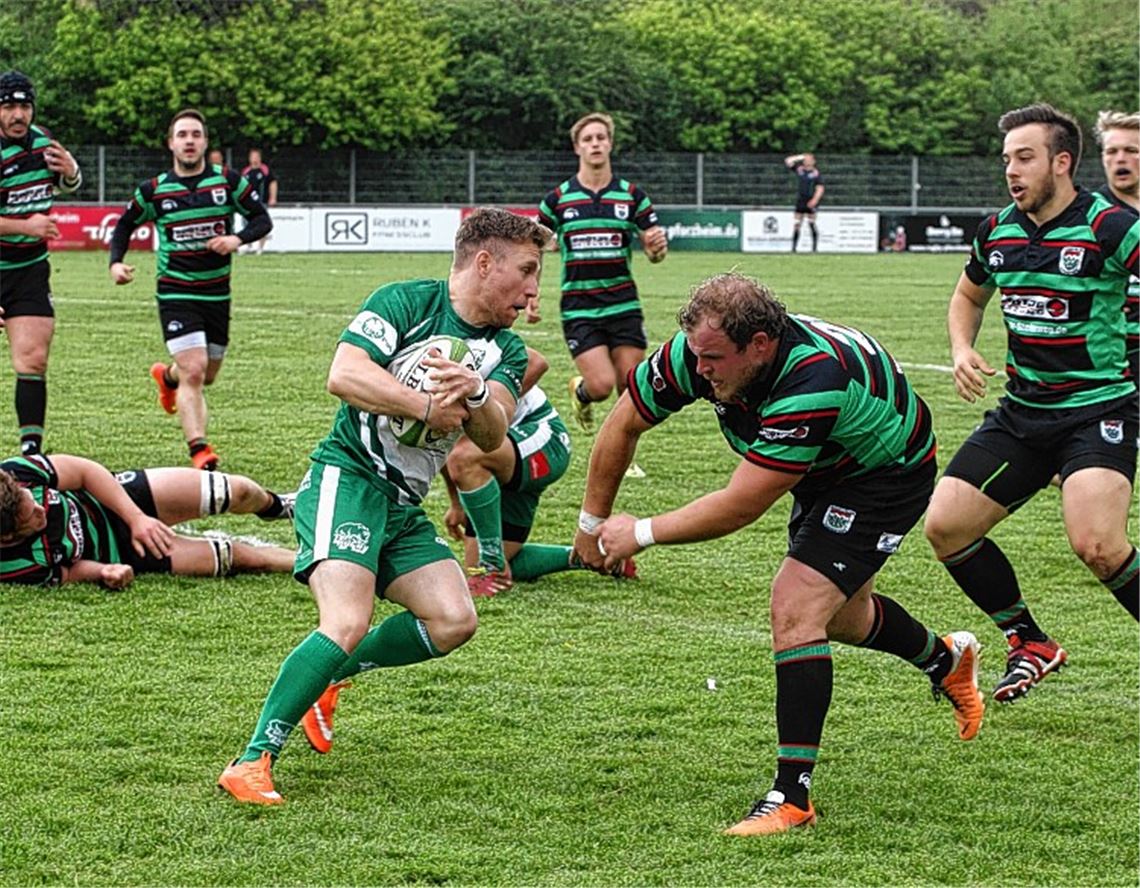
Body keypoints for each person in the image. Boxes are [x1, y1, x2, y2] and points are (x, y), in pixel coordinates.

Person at [572, 272, 983, 836]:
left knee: (796, 606)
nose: (702, 369)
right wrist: (590, 524)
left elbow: (741, 504)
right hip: (823, 466)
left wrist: (637, 532)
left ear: (759, 345)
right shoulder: (696, 354)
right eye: (696, 354)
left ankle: (792, 797)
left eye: (714, 357)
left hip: (885, 472)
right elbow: (624, 423)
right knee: (839, 616)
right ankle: (945, 660)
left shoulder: (814, 377)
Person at [216, 207, 550, 804]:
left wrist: (472, 392)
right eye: (526, 271)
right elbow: (343, 374)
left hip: (401, 504)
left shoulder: (508, 352)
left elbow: (494, 436)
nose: (533, 290)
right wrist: (422, 404)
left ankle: (329, 678)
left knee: (454, 620)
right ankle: (252, 761)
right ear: (483, 262)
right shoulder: (404, 302)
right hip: (347, 478)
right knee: (346, 621)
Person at [923, 104, 1139, 709]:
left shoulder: (1108, 226)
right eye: (1006, 161)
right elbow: (968, 295)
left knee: (1097, 544)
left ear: (1061, 162)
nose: (1012, 172)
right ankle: (1030, 641)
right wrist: (962, 347)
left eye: (1024, 158)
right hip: (1021, 414)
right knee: (946, 526)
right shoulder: (997, 230)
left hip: (1097, 409)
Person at [108, 110, 272, 471]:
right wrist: (116, 262)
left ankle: (166, 378)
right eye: (182, 134)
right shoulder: (154, 190)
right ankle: (199, 450)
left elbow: (262, 220)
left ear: (205, 142)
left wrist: (236, 238)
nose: (189, 140)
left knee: (206, 375)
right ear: (171, 143)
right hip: (175, 292)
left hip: (217, 294)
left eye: (195, 134)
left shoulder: (227, 183)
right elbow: (124, 224)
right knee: (194, 370)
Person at [440, 345, 637, 596]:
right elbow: (442, 444)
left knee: (467, 457)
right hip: (498, 453)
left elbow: (536, 362)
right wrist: (456, 504)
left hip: (543, 436)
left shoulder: (453, 335)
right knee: (477, 563)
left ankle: (492, 567)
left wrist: (494, 407)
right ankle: (593, 555)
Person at [538, 112, 667, 477]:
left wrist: (656, 248)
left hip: (623, 304)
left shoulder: (632, 196)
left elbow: (656, 252)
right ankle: (582, 393)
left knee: (631, 386)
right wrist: (530, 295)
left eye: (601, 138)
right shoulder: (559, 199)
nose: (595, 144)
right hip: (579, 307)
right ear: (577, 147)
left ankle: (624, 458)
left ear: (609, 144)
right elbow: (533, 246)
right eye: (588, 139)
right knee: (601, 384)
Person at [0, 451, 295, 588]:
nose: (40, 510)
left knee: (237, 491)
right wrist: (104, 572)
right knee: (238, 558)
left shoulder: (16, 474)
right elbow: (67, 573)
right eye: (31, 520)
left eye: (32, 502)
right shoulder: (14, 565)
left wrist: (136, 518)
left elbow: (84, 471)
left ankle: (280, 506)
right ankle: (316, 561)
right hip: (128, 551)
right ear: (7, 538)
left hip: (119, 499)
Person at [0, 70, 82, 457]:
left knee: (33, 358)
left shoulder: (44, 142)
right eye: (9, 106)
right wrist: (25, 225)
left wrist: (72, 172)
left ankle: (31, 452)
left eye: (24, 106)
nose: (18, 114)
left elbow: (67, 183)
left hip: (29, 269)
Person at [1093, 110, 1139, 381]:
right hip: (1112, 356)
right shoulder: (1090, 216)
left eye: (1131, 150)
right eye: (1111, 152)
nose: (1119, 159)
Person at [784, 152, 824, 253]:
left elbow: (820, 188)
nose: (807, 161)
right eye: (806, 159)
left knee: (811, 223)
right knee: (797, 224)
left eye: (809, 159)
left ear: (813, 162)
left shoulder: (816, 174)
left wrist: (815, 199)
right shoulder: (800, 170)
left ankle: (814, 249)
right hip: (801, 200)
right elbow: (788, 161)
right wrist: (800, 156)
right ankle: (793, 248)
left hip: (811, 200)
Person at [240, 147, 277, 254]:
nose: (254, 159)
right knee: (246, 224)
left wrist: (272, 197)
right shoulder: (246, 171)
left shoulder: (265, 170)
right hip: (248, 202)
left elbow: (273, 183)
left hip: (261, 202)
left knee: (262, 223)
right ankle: (248, 245)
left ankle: (260, 248)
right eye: (252, 157)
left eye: (256, 157)